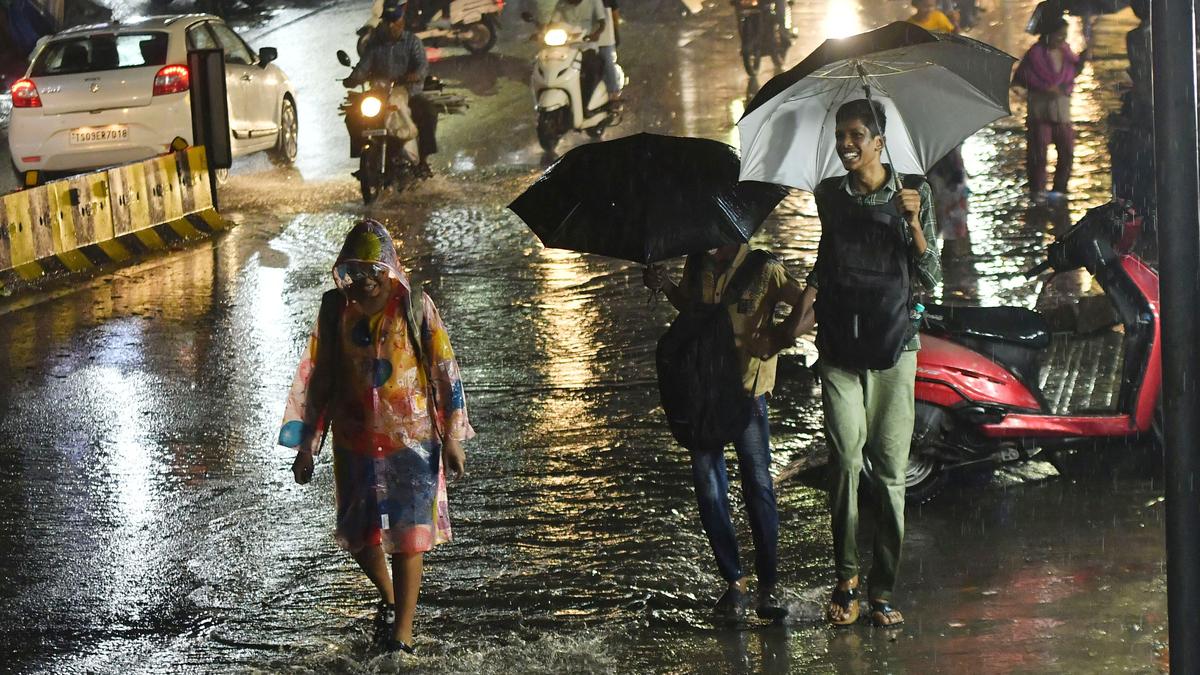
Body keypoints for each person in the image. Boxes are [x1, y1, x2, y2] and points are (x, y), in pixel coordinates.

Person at [781, 98, 941, 628]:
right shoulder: (828, 195)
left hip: (896, 347)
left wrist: (914, 223)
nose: (845, 145)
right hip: (841, 349)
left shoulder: (914, 192)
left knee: (892, 475)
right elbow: (826, 263)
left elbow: (933, 277)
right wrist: (793, 322)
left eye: (855, 135)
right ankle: (847, 577)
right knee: (847, 463)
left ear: (879, 140)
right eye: (839, 135)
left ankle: (883, 588)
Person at [280, 219, 473, 654]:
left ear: (388, 269)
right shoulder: (335, 310)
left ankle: (401, 635)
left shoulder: (415, 305)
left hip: (413, 441)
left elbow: (444, 370)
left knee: (410, 537)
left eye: (372, 272)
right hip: (355, 442)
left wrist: (453, 438)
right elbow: (320, 380)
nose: (364, 282)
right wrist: (307, 445)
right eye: (355, 272)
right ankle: (388, 598)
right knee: (358, 532)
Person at [643, 243, 805, 621]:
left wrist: (780, 337)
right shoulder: (696, 259)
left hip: (748, 392)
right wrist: (665, 284)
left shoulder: (766, 268)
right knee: (709, 487)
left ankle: (768, 584)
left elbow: (806, 305)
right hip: (703, 391)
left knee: (758, 484)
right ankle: (735, 582)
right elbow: (693, 311)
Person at [346, 1, 439, 179]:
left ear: (401, 22)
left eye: (393, 21)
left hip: (408, 93)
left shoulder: (412, 43)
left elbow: (422, 67)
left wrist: (414, 75)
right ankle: (364, 158)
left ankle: (423, 161)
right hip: (379, 95)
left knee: (428, 112)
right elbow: (363, 67)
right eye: (386, 21)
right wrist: (352, 79)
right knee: (353, 116)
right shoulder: (374, 45)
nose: (389, 26)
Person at [1013, 13, 1090, 202]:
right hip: (1040, 114)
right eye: (1059, 35)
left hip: (1062, 114)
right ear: (1047, 34)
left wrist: (1084, 59)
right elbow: (1020, 80)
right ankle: (1037, 192)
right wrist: (1043, 89)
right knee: (1038, 156)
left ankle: (1059, 191)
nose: (1062, 39)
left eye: (1064, 35)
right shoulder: (1034, 54)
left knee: (1067, 153)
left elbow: (1072, 74)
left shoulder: (1066, 52)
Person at [551, 0, 622, 100]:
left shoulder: (595, 2)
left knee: (605, 60)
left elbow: (608, 17)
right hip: (570, 42)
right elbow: (553, 22)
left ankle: (613, 93)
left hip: (596, 39)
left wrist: (612, 31)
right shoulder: (562, 4)